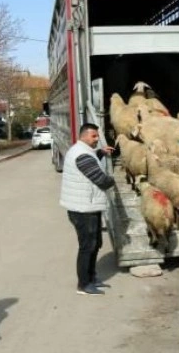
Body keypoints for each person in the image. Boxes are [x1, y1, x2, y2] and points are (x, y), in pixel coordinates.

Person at [59, 123, 115, 296]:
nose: (97, 139)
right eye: (94, 136)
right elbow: (101, 180)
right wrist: (114, 179)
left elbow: (90, 159)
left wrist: (101, 152)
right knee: (87, 246)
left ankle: (91, 277)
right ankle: (83, 284)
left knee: (95, 243)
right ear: (83, 136)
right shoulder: (82, 155)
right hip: (83, 209)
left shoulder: (82, 151)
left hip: (88, 206)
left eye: (97, 136)